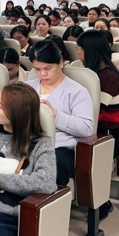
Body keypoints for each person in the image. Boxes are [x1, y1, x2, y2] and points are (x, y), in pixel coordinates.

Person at [0, 84, 57, 236]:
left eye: (1, 106)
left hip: (6, 216)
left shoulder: (40, 144)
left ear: (19, 112)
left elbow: (46, 183)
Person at [25, 40, 94, 186]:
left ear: (60, 63)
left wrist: (54, 114)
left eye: (48, 68)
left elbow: (86, 129)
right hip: (26, 145)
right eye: (37, 69)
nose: (43, 74)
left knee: (44, 174)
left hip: (59, 149)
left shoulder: (76, 91)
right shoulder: (27, 89)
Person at [75, 31, 119, 218]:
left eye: (79, 49)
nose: (77, 53)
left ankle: (100, 204)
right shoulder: (90, 73)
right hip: (94, 130)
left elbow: (94, 110)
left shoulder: (108, 77)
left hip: (106, 135)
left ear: (90, 50)